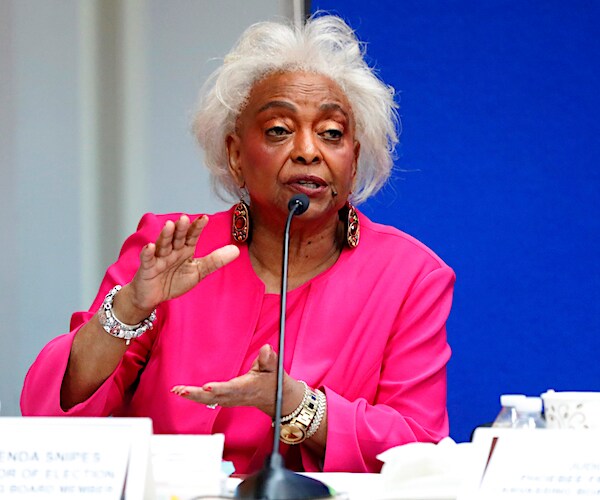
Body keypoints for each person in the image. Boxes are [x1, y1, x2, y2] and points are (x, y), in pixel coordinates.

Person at [21, 14, 455, 474]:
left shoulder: (410, 277)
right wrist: (128, 308)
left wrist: (300, 407)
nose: (309, 150)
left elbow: (421, 449)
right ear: (234, 154)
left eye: (331, 133)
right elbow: (52, 413)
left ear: (353, 158)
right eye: (279, 130)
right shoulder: (172, 249)